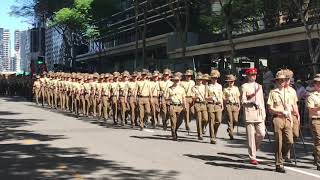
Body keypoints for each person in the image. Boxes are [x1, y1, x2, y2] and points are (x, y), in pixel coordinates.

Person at [267, 70, 294, 173]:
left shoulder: (289, 92)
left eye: (283, 80)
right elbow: (270, 109)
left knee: (290, 141)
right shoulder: (273, 93)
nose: (282, 82)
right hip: (277, 118)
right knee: (279, 142)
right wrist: (281, 111)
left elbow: (290, 107)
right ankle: (279, 164)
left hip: (287, 119)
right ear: (276, 81)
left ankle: (281, 157)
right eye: (280, 80)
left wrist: (290, 118)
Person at [241, 68, 266, 165]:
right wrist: (250, 102)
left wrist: (264, 113)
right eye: (251, 75)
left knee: (261, 133)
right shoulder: (244, 86)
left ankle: (254, 149)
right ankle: (253, 156)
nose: (253, 76)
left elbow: (262, 101)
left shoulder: (259, 86)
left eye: (255, 74)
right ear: (247, 76)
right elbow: (243, 101)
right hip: (250, 113)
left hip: (259, 113)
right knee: (251, 136)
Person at [165, 73, 186, 141]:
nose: (176, 82)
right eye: (175, 80)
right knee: (173, 121)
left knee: (179, 121)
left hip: (180, 106)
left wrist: (184, 106)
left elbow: (183, 98)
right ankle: (174, 134)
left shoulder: (182, 89)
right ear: (173, 81)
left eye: (177, 80)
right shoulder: (169, 89)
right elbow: (166, 98)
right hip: (172, 106)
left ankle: (175, 130)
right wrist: (169, 98)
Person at [307, 74, 320, 171]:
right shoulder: (311, 96)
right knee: (319, 140)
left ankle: (316, 154)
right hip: (316, 120)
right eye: (318, 83)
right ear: (315, 85)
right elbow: (311, 110)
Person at [206, 69, 223, 144]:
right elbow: (205, 97)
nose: (214, 79)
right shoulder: (208, 86)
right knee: (211, 121)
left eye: (216, 78)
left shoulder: (220, 86)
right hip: (210, 104)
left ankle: (214, 134)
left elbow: (221, 96)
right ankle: (212, 137)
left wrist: (222, 105)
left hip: (218, 104)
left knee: (218, 121)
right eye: (213, 77)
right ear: (211, 78)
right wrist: (210, 98)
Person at [223, 74, 240, 140]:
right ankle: (231, 134)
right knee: (230, 119)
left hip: (235, 105)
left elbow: (238, 97)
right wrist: (226, 100)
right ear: (228, 82)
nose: (231, 83)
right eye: (229, 81)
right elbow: (223, 98)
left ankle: (230, 129)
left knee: (235, 120)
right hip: (229, 105)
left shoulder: (236, 88)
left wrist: (239, 105)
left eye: (232, 81)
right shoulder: (225, 89)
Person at [192, 74, 208, 141]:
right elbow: (192, 97)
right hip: (197, 104)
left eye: (201, 80)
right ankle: (200, 134)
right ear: (196, 80)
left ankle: (202, 127)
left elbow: (206, 95)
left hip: (203, 104)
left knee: (205, 119)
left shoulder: (205, 87)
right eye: (198, 80)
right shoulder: (194, 88)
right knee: (199, 119)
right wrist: (196, 97)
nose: (200, 81)